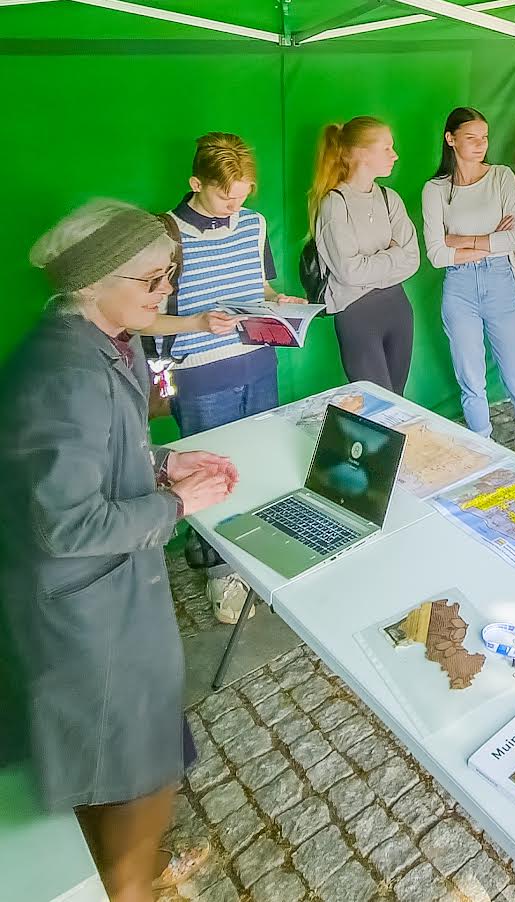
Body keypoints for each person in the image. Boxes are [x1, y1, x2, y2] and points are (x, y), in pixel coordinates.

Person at [1, 200, 237, 901]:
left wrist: (161, 464)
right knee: (123, 761)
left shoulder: (104, 340)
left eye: (169, 274)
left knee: (133, 753)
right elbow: (65, 526)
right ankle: (132, 886)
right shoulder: (64, 376)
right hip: (85, 617)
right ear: (92, 283)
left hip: (107, 597)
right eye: (152, 280)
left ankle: (139, 875)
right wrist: (175, 505)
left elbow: (100, 454)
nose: (166, 292)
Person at [140, 132, 303, 624]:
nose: (235, 205)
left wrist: (280, 301)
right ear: (196, 183)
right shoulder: (163, 234)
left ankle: (255, 557)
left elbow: (261, 286)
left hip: (258, 361)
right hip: (199, 374)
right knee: (210, 473)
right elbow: (140, 319)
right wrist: (194, 323)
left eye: (243, 195)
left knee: (260, 464)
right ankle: (217, 572)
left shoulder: (253, 223)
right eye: (225, 196)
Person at [422, 107, 515, 454]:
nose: (481, 145)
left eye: (485, 138)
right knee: (470, 378)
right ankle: (481, 449)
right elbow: (435, 254)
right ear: (451, 140)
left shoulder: (501, 177)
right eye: (471, 138)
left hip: (500, 282)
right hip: (458, 286)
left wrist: (459, 240)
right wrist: (488, 240)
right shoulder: (434, 190)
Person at [309, 116, 420, 394]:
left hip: (398, 307)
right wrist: (393, 254)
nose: (394, 155)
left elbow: (413, 259)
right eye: (386, 148)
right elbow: (348, 272)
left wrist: (372, 263)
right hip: (356, 314)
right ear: (360, 153)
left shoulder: (390, 198)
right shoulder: (334, 204)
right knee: (378, 404)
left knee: (398, 401)